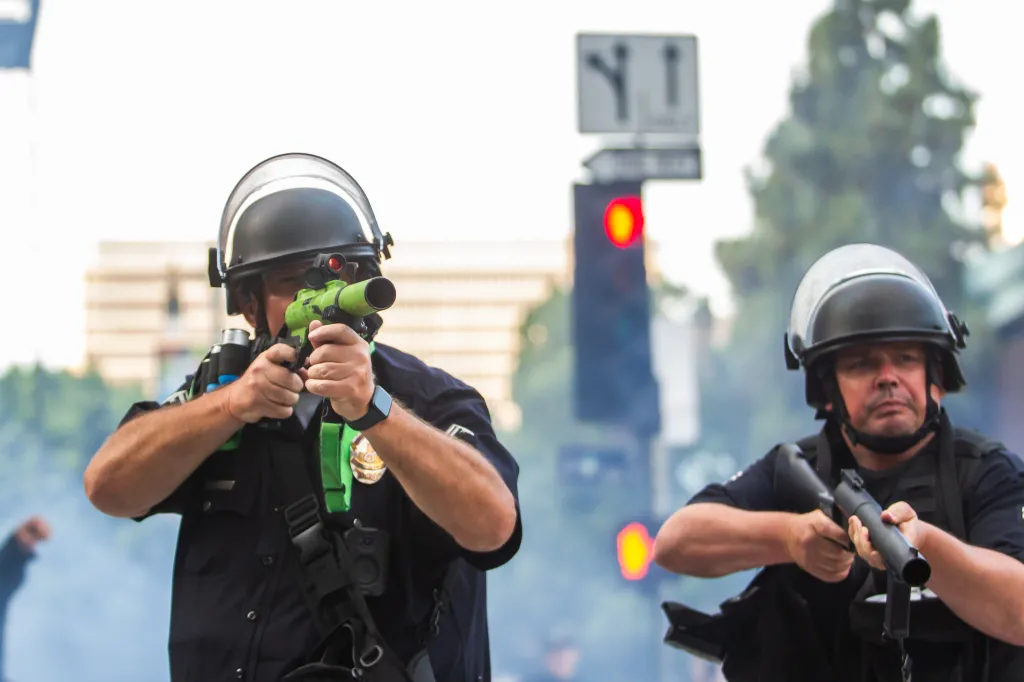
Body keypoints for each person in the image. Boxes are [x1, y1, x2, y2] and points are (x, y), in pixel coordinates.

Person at [83, 153, 522, 682]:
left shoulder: (427, 399)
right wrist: (228, 406)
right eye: (296, 281)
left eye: (347, 274)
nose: (325, 299)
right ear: (248, 304)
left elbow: (495, 526)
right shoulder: (218, 392)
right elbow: (108, 486)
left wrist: (375, 409)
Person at [653, 244, 1024, 681]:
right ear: (827, 392)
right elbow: (675, 543)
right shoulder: (797, 471)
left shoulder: (985, 471)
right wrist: (789, 537)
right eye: (861, 364)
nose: (887, 376)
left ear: (936, 380)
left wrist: (925, 546)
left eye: (905, 358)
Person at [0, 515, 50, 681]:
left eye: (36, 538)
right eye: (30, 533)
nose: (32, 541)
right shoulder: (8, 555)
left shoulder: (19, 560)